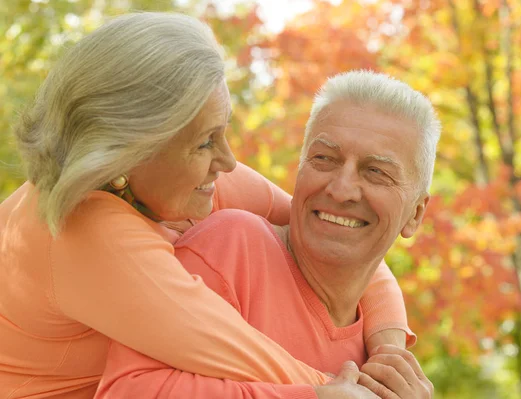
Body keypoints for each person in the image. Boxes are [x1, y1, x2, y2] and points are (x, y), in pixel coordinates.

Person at [0, 12, 414, 399]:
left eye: (222, 132)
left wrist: (388, 347)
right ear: (131, 151)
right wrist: (355, 390)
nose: (229, 161)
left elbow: (338, 230)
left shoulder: (189, 179)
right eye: (205, 142)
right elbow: (253, 360)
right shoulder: (85, 232)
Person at [94, 70, 440, 399]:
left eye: (376, 172)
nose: (341, 189)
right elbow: (127, 392)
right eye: (324, 158)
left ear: (415, 214)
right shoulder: (233, 246)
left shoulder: (384, 359)